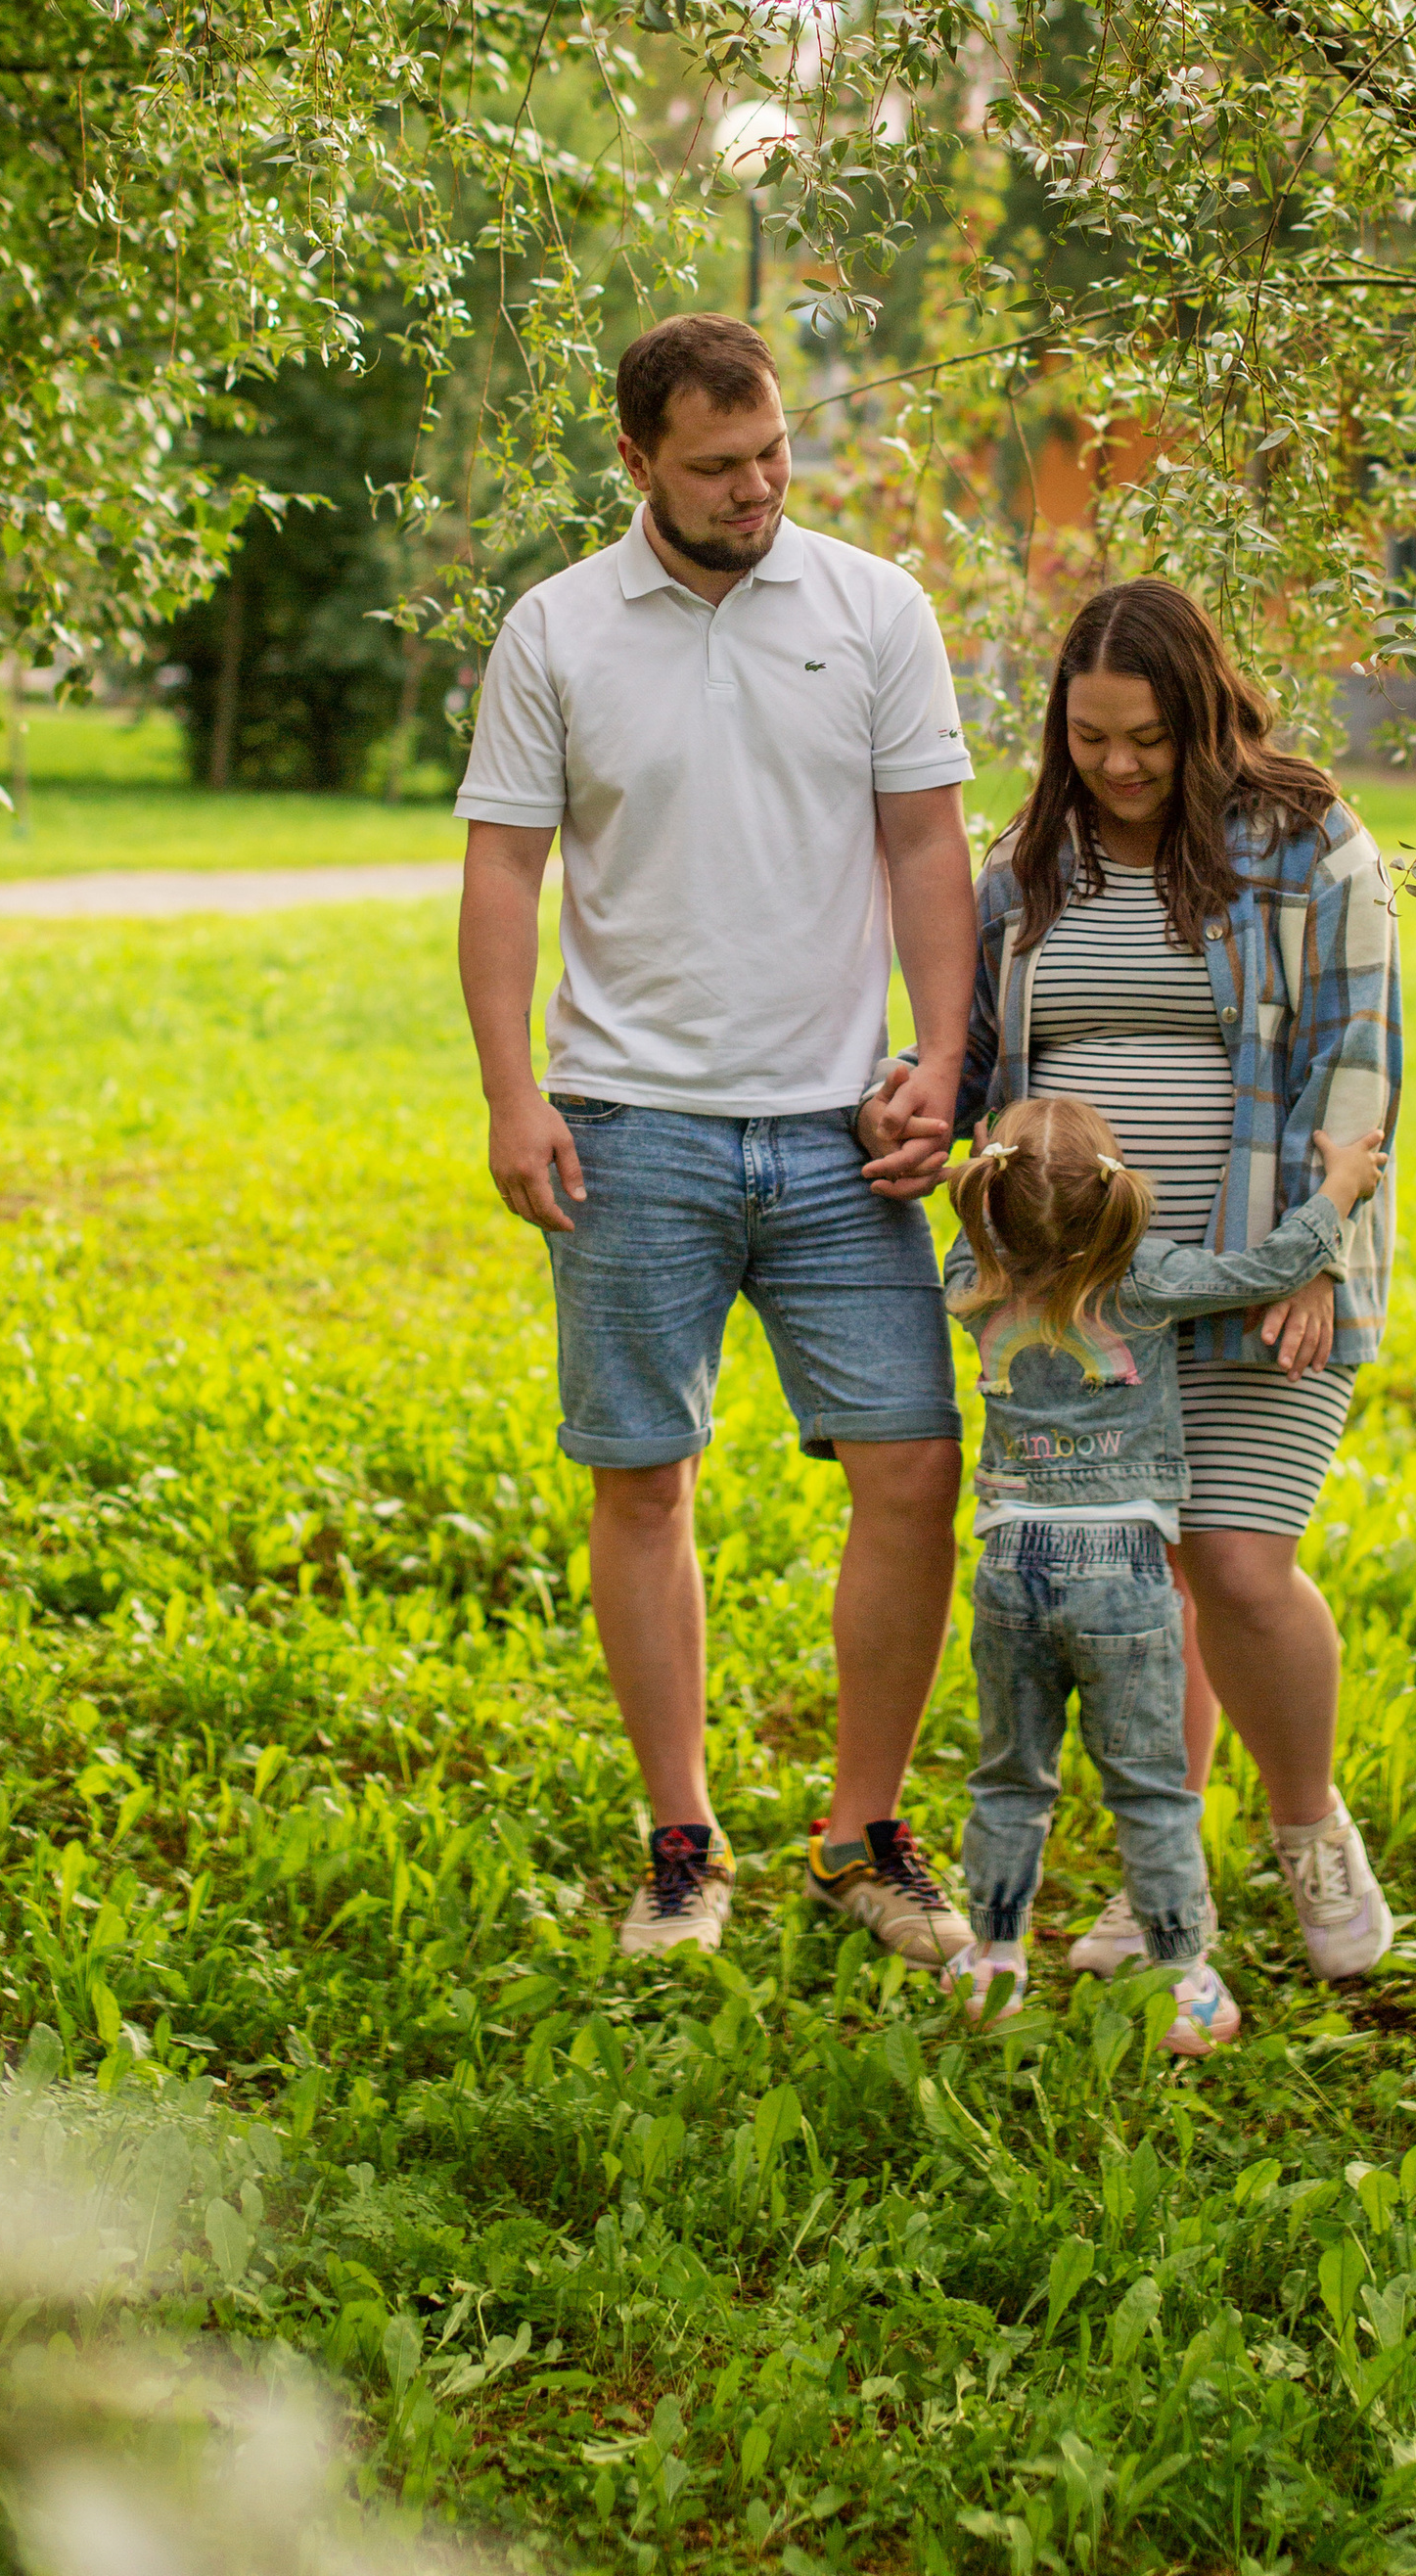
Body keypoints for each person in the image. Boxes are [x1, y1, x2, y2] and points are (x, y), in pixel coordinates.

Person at [455, 314, 982, 1967]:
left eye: (771, 457)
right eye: (716, 468)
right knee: (644, 1482)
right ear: (636, 464)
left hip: (841, 1133)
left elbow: (926, 847)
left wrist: (945, 1064)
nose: (757, 489)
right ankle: (681, 1842)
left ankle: (864, 1834)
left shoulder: (874, 609)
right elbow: (502, 876)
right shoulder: (555, 633)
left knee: (911, 1467)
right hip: (631, 1124)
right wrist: (509, 1092)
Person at [873, 575, 1402, 1988]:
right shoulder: (1026, 870)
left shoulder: (1305, 844)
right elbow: (972, 1059)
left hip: (1263, 1266)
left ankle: (1307, 1833)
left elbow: (1357, 1060)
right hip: (1085, 1298)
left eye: (1149, 738)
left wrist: (1323, 1254)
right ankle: (1151, 1883)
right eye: (1092, 736)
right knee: (1133, 1576)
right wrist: (912, 1104)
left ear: (1207, 717)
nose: (1118, 765)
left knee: (1233, 1563)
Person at [943, 1093, 1392, 2053]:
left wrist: (986, 1175)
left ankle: (993, 1964)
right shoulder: (1142, 1276)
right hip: (1123, 1573)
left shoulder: (972, 1272)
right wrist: (1343, 1188)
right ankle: (1182, 1978)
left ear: (993, 1188)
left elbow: (971, 1214)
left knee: (1008, 1780)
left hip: (1009, 1562)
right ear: (1118, 1196)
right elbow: (1267, 1267)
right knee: (1149, 1788)